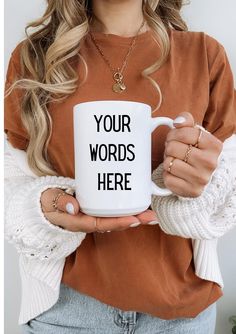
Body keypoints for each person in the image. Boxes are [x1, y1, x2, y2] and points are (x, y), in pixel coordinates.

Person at [4, 0, 236, 333]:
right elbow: (10, 189)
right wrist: (44, 211)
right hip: (67, 313)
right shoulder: (33, 60)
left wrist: (196, 186)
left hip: (181, 313)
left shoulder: (204, 55)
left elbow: (228, 196)